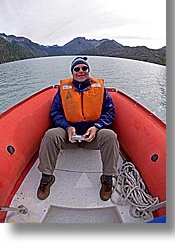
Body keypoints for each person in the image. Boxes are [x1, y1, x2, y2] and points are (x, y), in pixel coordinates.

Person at [37, 57, 119, 201]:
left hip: (93, 137)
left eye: (84, 68)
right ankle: (46, 178)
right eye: (77, 69)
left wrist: (96, 127)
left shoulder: (100, 90)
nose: (81, 71)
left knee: (110, 135)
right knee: (51, 135)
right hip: (69, 137)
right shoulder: (62, 91)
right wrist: (67, 127)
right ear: (72, 72)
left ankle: (107, 179)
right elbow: (55, 113)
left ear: (88, 71)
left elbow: (110, 112)